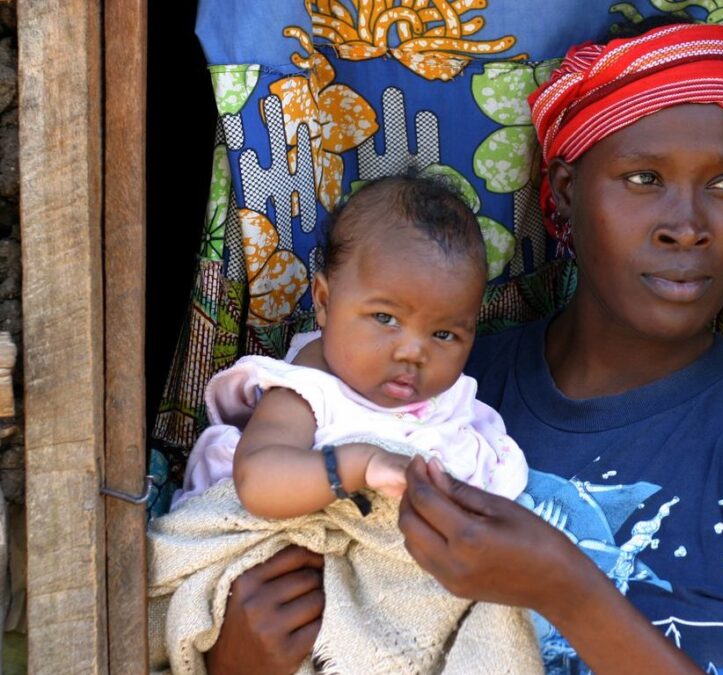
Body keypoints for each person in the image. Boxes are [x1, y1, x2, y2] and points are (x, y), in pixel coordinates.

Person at [207, 22, 723, 675]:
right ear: (566, 193)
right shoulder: (436, 389)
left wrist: (567, 590)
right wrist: (236, 657)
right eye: (644, 178)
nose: (687, 226)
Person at [151, 175, 539, 674]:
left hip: (403, 606)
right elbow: (258, 481)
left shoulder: (456, 409)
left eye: (444, 333)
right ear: (325, 300)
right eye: (384, 318)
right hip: (300, 605)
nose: (412, 351)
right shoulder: (306, 392)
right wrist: (358, 464)